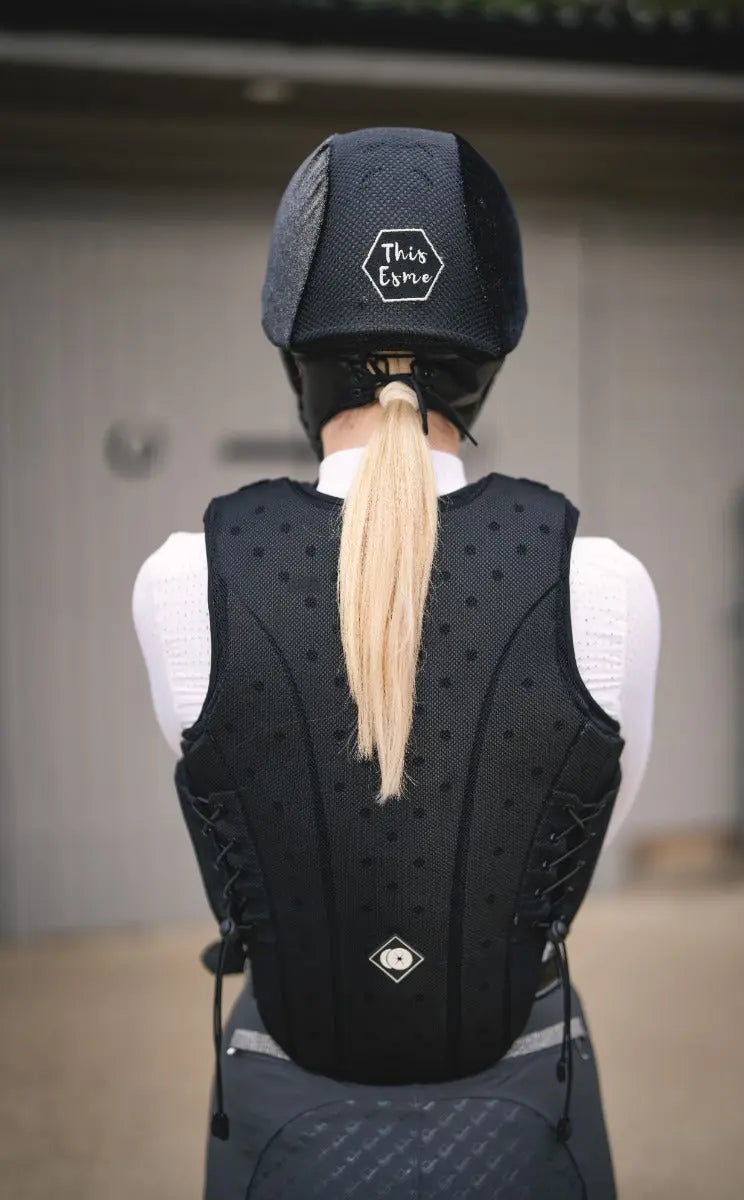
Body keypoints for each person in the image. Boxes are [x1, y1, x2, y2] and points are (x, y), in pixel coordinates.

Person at [133, 127, 660, 1199]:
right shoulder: (605, 581)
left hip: (288, 1107)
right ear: (487, 356)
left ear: (296, 348)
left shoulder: (180, 577)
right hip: (523, 1103)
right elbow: (596, 822)